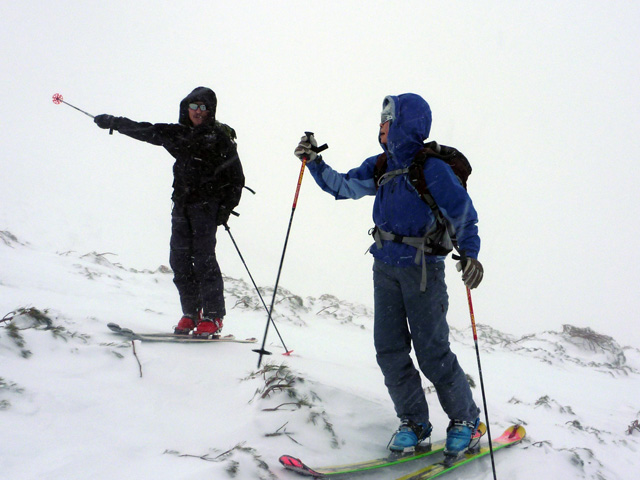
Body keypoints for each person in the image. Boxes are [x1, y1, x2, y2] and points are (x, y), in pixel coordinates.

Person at [294, 93, 483, 457]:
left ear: (404, 124)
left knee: (432, 352)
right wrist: (315, 162)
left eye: (387, 119)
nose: (381, 125)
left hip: (423, 270)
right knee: (389, 350)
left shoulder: (432, 168)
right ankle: (414, 423)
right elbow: (344, 186)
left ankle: (466, 420)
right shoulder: (381, 165)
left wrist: (471, 254)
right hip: (385, 268)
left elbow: (463, 213)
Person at [94, 86, 244, 337]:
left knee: (204, 260)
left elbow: (236, 178)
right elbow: (147, 130)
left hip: (206, 208)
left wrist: (225, 210)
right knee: (180, 260)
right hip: (181, 207)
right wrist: (115, 123)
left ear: (211, 111)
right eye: (194, 106)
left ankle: (213, 316)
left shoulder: (219, 139)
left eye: (203, 107)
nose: (198, 111)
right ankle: (191, 313)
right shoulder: (178, 134)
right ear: (186, 108)